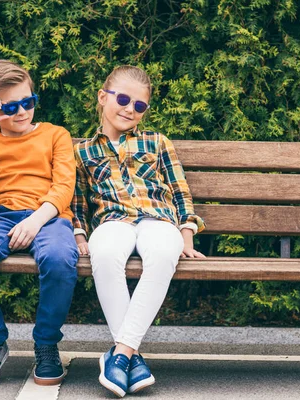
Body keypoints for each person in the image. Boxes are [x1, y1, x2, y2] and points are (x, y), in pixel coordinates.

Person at [72, 65, 205, 397]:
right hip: (111, 222)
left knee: (163, 254)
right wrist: (78, 234)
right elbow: (75, 203)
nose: (130, 109)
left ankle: (120, 356)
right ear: (103, 98)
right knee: (104, 253)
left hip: (158, 220)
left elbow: (180, 191)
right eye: (122, 99)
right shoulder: (83, 152)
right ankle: (132, 357)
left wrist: (186, 235)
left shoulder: (157, 142)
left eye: (139, 106)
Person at [0, 59, 78, 387]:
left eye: (28, 102)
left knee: (59, 258)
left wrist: (36, 221)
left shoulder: (55, 135)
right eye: (11, 106)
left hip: (49, 216)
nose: (22, 112)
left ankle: (47, 344)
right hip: (1, 217)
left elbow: (64, 186)